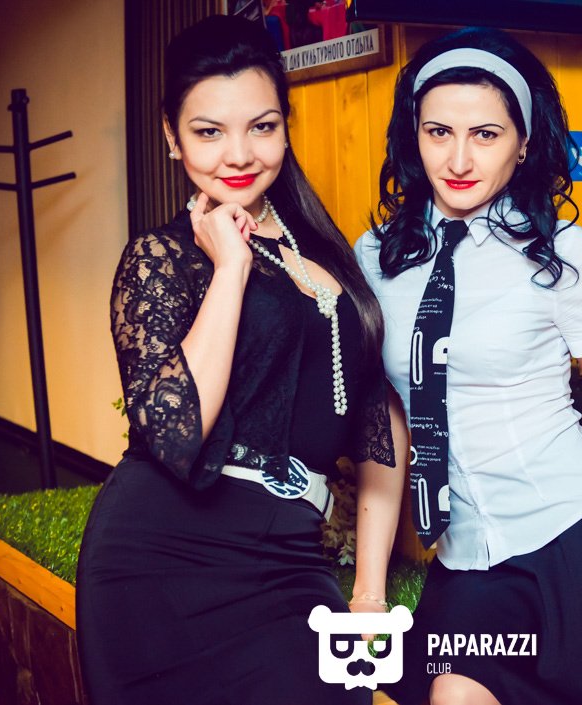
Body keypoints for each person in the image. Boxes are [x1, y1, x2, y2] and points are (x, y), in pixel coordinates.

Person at [355, 27, 582, 705]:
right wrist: (368, 591)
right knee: (452, 695)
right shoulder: (376, 258)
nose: (459, 159)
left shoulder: (564, 253)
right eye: (438, 132)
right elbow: (388, 426)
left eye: (486, 135)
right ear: (413, 136)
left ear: (522, 144)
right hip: (470, 565)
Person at [76, 15, 406, 705]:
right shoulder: (161, 259)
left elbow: (378, 422)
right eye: (208, 131)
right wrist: (230, 267)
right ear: (172, 137)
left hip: (291, 557)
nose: (239, 153)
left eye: (262, 126)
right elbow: (176, 436)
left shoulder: (326, 255)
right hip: (161, 560)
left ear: (286, 126)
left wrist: (369, 592)